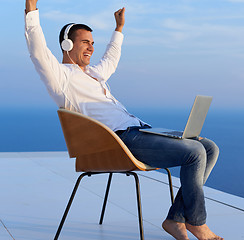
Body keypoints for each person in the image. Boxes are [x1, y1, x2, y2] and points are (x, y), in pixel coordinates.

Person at [25, 0, 223, 239]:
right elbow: (37, 50)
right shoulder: (61, 78)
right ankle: (196, 222)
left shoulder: (94, 74)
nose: (90, 48)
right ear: (67, 44)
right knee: (194, 152)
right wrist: (31, 9)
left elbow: (111, 59)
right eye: (85, 42)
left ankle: (176, 219)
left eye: (92, 43)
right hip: (118, 141)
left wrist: (118, 29)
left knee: (209, 148)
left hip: (139, 130)